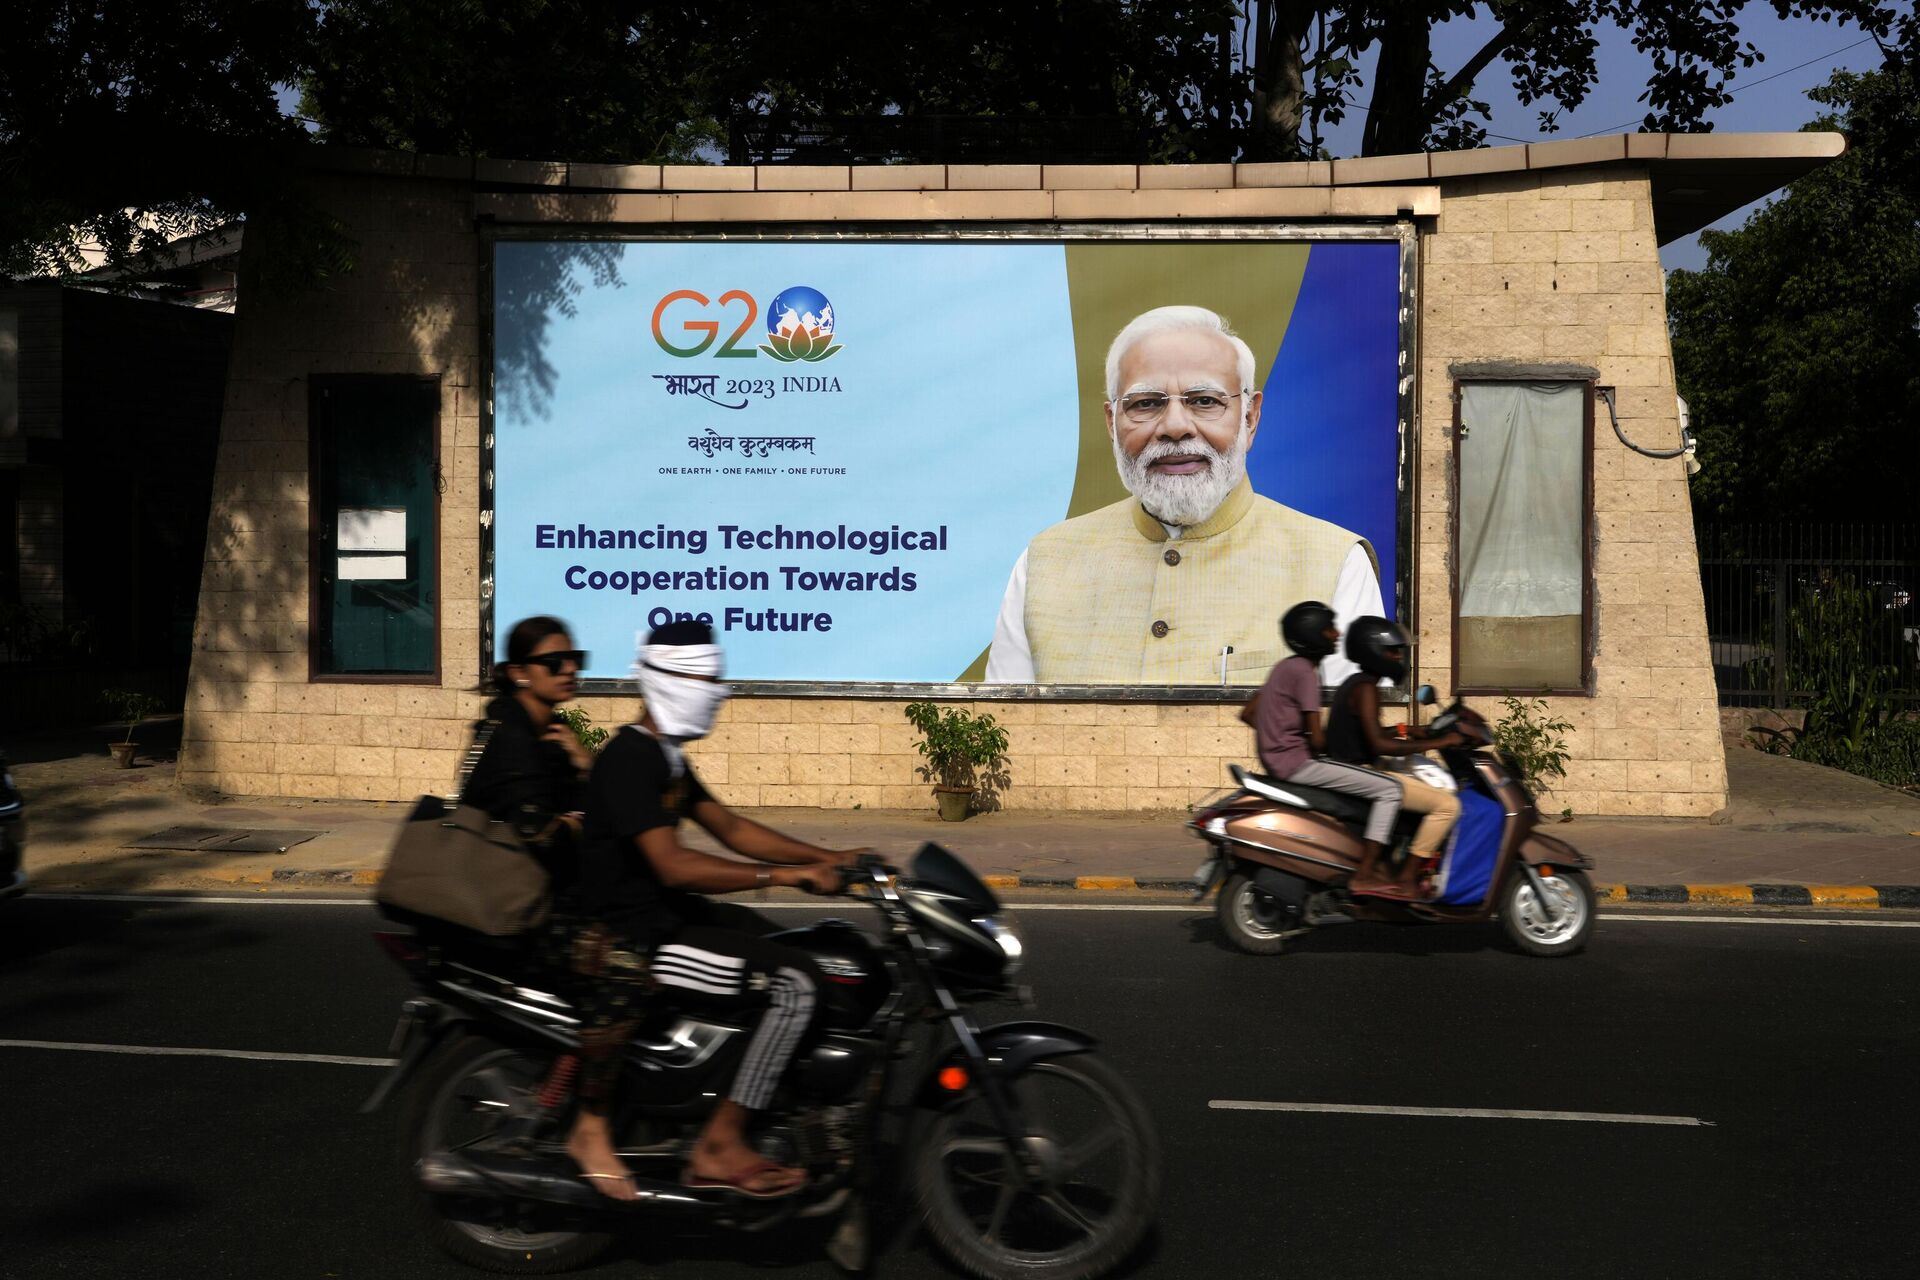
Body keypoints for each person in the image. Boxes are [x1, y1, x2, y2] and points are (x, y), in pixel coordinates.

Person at [556, 619, 861, 1203]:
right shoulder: (629, 760)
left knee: (804, 951)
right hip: (630, 938)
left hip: (666, 916)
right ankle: (718, 1144)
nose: (715, 692)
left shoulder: (666, 757)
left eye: (716, 679)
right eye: (703, 679)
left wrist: (835, 858)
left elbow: (732, 828)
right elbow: (673, 865)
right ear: (662, 681)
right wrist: (788, 875)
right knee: (794, 984)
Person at [986, 304, 1382, 685]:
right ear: (1112, 422)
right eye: (1145, 404)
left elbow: (1354, 745)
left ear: (1250, 417)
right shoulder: (1045, 564)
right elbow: (1010, 737)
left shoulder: (1334, 563)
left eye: (1205, 401)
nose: (1175, 427)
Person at [1244, 601, 1406, 892]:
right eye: (1329, 629)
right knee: (1390, 790)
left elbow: (1250, 713)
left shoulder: (1285, 666)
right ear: (1313, 635)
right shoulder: (1306, 673)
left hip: (1280, 761)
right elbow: (1319, 740)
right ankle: (1366, 872)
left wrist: (1279, 734)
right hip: (1297, 765)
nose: (1337, 634)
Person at [1323, 617, 1468, 901]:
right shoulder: (1365, 689)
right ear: (1373, 651)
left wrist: (1408, 730)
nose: (1398, 656)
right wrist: (1439, 741)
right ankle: (1406, 878)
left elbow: (1368, 733)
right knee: (1447, 805)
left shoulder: (1358, 683)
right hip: (1360, 772)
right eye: (1392, 651)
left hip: (1356, 768)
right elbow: (1378, 744)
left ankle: (1400, 860)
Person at [462, 614, 593, 891]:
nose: (570, 669)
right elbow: (538, 831)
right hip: (504, 895)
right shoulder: (512, 736)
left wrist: (585, 765)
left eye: (575, 658)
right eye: (554, 662)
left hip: (536, 883)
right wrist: (579, 822)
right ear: (519, 673)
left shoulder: (553, 732)